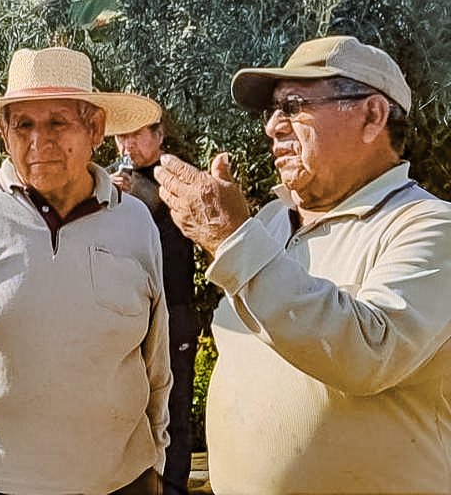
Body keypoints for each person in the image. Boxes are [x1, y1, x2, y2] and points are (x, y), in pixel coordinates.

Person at [155, 35, 451, 494]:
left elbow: (368, 351)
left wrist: (231, 238)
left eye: (293, 106)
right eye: (271, 110)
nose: (273, 126)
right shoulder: (272, 220)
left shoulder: (430, 226)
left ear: (372, 115)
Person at [0, 47, 171, 495]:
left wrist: (155, 454)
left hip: (119, 481)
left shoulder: (135, 220)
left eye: (57, 122)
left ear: (94, 128)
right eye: (23, 125)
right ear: (4, 133)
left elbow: (155, 359)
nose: (38, 141)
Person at [111, 118, 199, 495]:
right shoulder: (115, 182)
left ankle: (174, 487)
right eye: (120, 136)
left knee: (174, 406)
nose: (126, 144)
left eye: (135, 134)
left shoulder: (174, 173)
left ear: (158, 136)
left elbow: (187, 215)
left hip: (175, 310)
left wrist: (139, 191)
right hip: (132, 311)